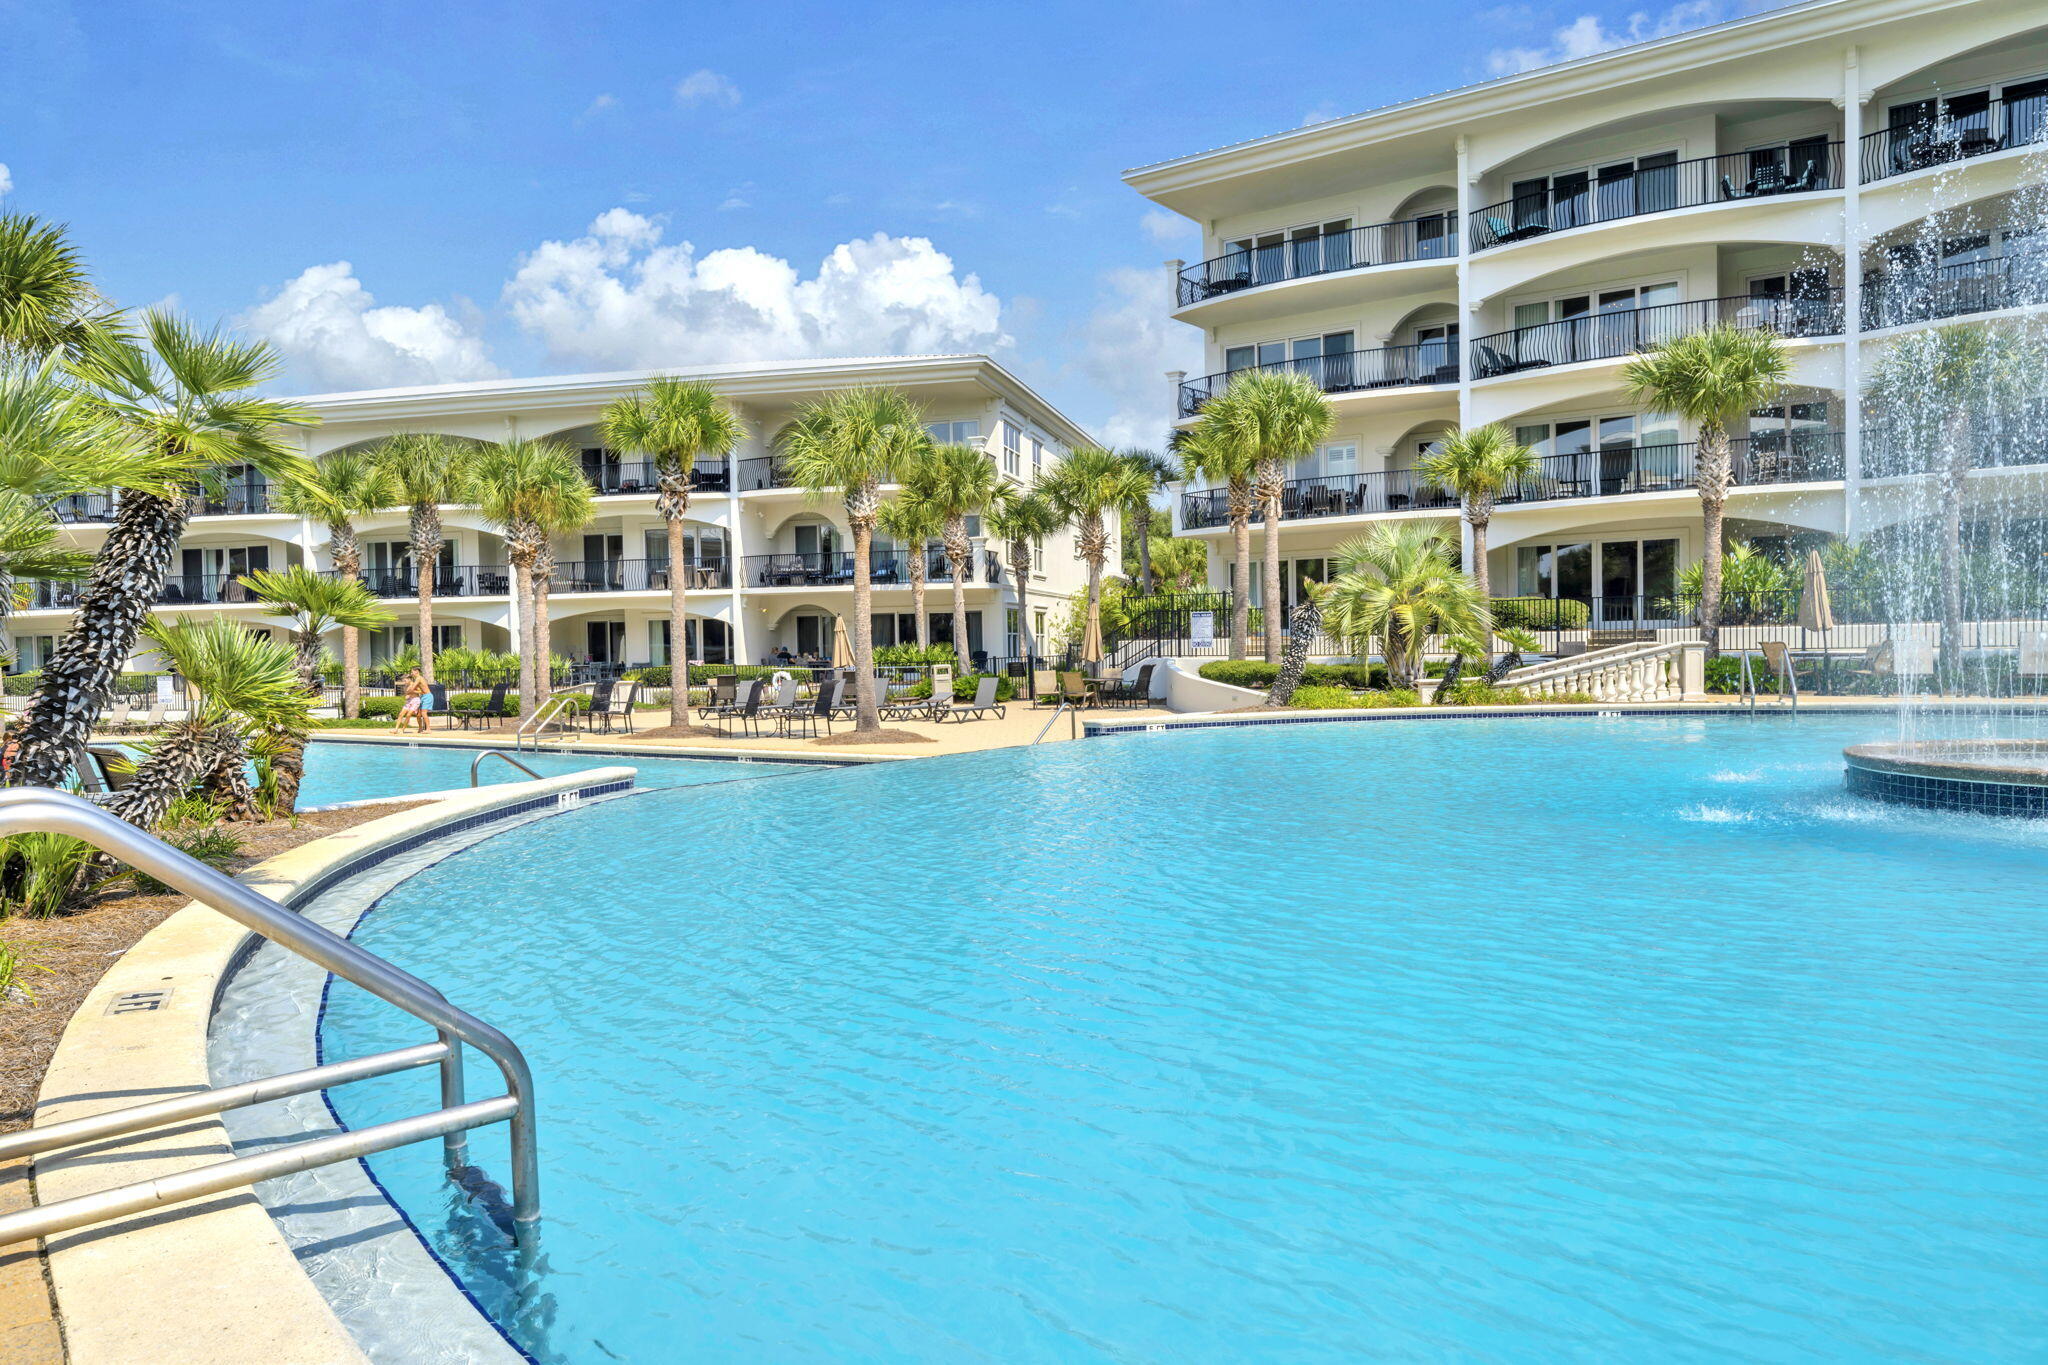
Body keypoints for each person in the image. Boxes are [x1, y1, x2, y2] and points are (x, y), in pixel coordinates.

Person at [395, 668, 430, 734]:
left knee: (409, 715)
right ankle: (396, 729)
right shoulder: (405, 686)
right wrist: (407, 695)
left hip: (415, 701)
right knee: (400, 714)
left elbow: (421, 691)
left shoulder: (415, 684)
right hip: (408, 701)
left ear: (409, 679)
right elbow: (406, 693)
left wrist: (413, 691)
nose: (404, 682)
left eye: (405, 680)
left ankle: (402, 730)